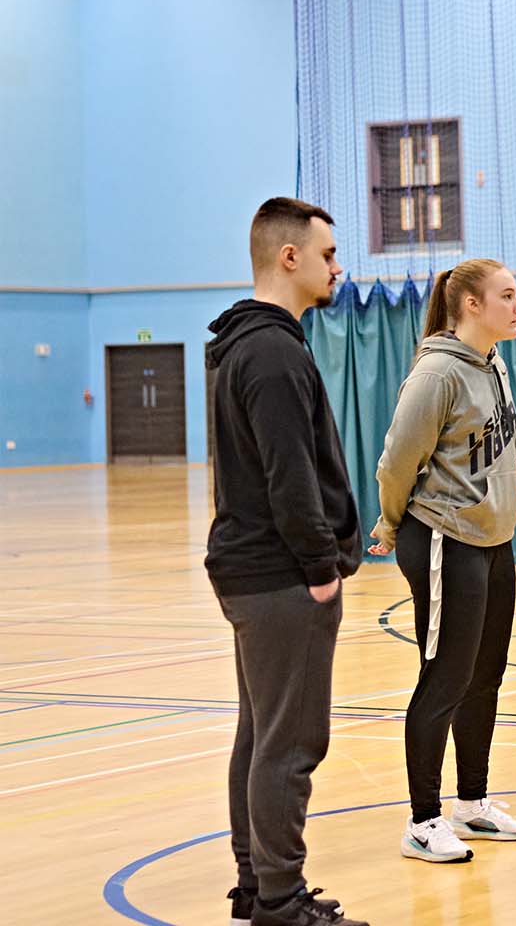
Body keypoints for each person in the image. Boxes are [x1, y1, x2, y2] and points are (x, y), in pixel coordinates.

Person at [204, 197, 368, 926]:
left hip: (255, 572)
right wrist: (321, 568)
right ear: (289, 257)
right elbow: (288, 476)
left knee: (261, 735)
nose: (339, 267)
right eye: (329, 254)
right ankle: (280, 899)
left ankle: (256, 883)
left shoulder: (254, 344)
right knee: (292, 743)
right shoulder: (270, 353)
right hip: (279, 576)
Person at [368, 259, 516, 864]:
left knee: (485, 676)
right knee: (445, 679)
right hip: (443, 537)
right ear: (469, 304)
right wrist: (389, 523)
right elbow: (396, 461)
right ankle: (422, 820)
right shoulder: (437, 373)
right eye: (508, 296)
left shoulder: (496, 364)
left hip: (495, 538)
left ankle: (472, 805)